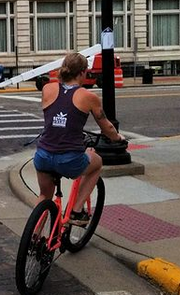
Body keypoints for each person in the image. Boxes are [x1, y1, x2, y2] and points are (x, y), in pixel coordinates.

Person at [34, 52, 125, 225]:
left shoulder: (48, 89)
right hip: (69, 159)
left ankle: (34, 239)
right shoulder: (88, 97)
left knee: (44, 195)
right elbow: (106, 126)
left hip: (43, 155)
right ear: (83, 72)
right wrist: (117, 138)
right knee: (96, 162)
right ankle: (76, 211)